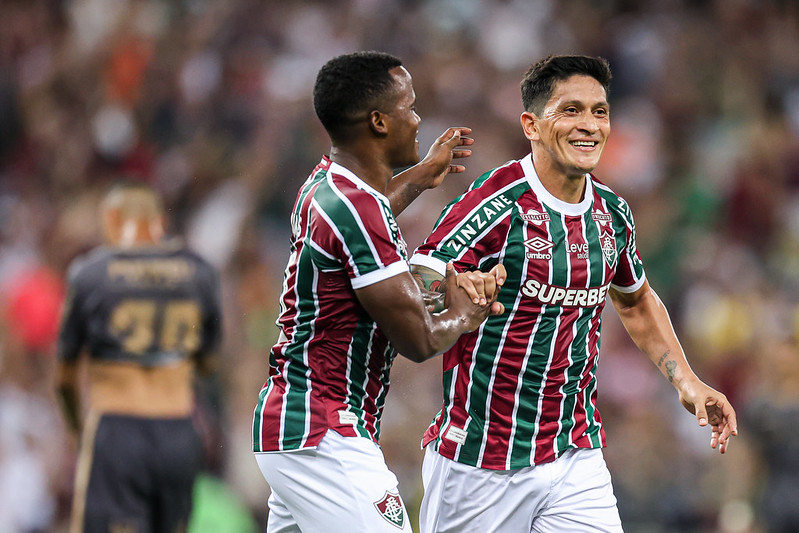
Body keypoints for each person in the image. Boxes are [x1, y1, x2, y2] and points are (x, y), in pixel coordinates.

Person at [409, 54, 739, 533]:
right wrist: (455, 291)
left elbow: (636, 300)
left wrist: (687, 383)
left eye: (599, 112)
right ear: (532, 124)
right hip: (481, 459)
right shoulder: (496, 202)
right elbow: (418, 278)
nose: (589, 125)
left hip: (574, 453)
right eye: (571, 111)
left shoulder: (611, 212)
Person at [251, 51, 504, 533]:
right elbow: (420, 340)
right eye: (409, 107)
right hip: (322, 430)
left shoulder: (327, 185)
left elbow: (366, 222)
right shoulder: (356, 207)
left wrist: (420, 179)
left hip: (296, 424)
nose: (418, 119)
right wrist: (467, 311)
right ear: (379, 122)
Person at [56, 181, 223, 533]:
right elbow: (209, 362)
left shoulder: (91, 274)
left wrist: (76, 428)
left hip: (118, 429)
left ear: (114, 218)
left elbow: (64, 378)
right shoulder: (200, 273)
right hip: (178, 431)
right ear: (158, 221)